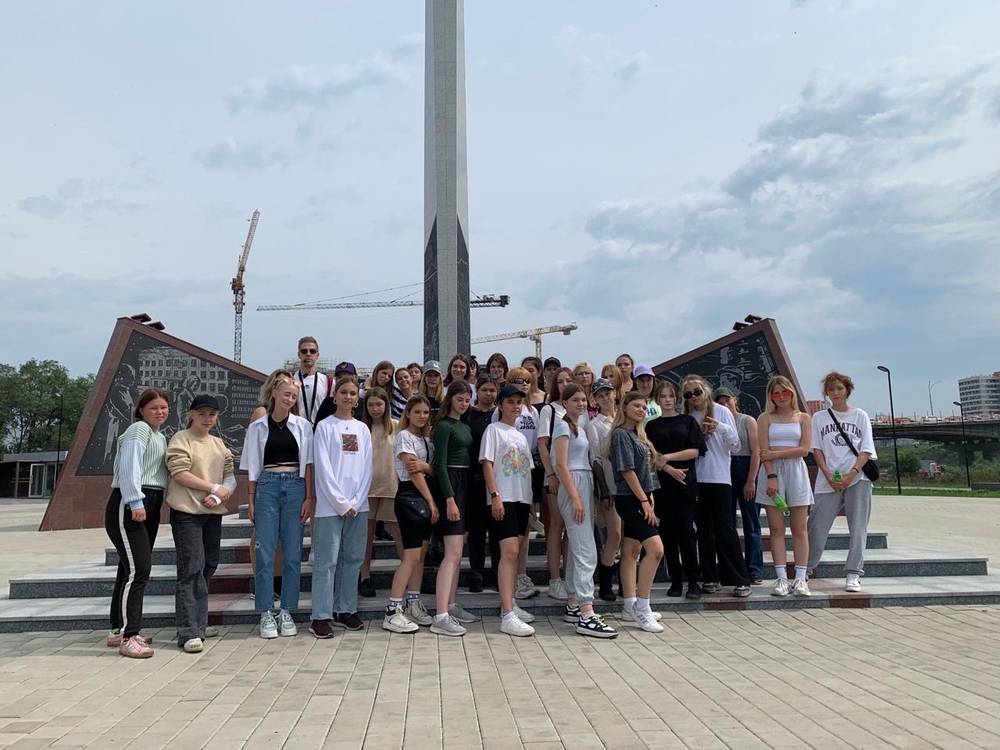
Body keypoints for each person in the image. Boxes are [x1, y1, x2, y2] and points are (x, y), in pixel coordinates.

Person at [241, 377, 314, 638]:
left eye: (293, 396)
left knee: (293, 552)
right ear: (274, 393)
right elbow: (252, 466)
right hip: (267, 485)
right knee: (265, 552)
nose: (289, 400)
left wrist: (309, 497)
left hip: (295, 485)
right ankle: (265, 611)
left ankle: (286, 610)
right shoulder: (258, 427)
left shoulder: (303, 426)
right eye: (286, 394)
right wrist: (251, 500)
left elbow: (308, 464)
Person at [166, 395, 237, 653]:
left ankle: (200, 622)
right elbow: (179, 473)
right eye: (202, 413)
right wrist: (212, 487)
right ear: (192, 414)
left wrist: (218, 495)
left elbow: (230, 478)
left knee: (209, 564)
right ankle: (188, 631)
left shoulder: (218, 443)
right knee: (191, 569)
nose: (207, 418)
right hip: (187, 513)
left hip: (212, 512)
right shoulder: (181, 439)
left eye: (212, 414)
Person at [105, 387, 170, 658]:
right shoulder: (139, 430)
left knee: (128, 569)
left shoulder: (159, 436)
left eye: (164, 407)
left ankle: (118, 629)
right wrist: (134, 500)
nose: (159, 412)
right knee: (140, 570)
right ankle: (129, 636)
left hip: (151, 502)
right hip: (131, 502)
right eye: (153, 407)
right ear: (141, 410)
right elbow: (130, 466)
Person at [310, 376, 373, 639]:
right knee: (327, 562)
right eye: (343, 392)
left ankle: (346, 609)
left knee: (353, 559)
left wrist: (356, 501)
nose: (348, 397)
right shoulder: (324, 427)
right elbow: (323, 469)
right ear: (335, 396)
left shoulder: (362, 429)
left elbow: (367, 467)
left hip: (358, 506)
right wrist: (340, 502)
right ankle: (320, 615)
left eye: (352, 393)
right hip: (330, 506)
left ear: (357, 398)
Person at [552, 384, 618, 638]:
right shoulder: (562, 426)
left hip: (585, 481)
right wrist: (575, 497)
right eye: (575, 400)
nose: (580, 404)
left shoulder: (579, 426)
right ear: (565, 402)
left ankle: (573, 603)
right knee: (586, 549)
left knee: (577, 546)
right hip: (574, 484)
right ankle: (586, 612)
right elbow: (560, 464)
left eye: (583, 400)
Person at [682, 376, 752, 598]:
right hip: (697, 480)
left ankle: (739, 579)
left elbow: (736, 445)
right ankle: (710, 577)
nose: (694, 397)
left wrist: (719, 427)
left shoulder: (721, 411)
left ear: (706, 391)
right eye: (688, 394)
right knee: (704, 531)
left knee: (725, 529)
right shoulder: (688, 416)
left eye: (697, 392)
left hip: (719, 478)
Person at [808, 371, 877, 593]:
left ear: (847, 389)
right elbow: (816, 449)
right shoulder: (819, 418)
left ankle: (853, 573)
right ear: (826, 393)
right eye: (831, 389)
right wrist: (827, 474)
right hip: (828, 479)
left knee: (858, 527)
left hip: (857, 479)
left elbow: (866, 449)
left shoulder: (860, 416)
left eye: (839, 388)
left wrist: (852, 473)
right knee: (816, 526)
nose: (835, 392)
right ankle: (806, 569)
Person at [481, 385, 537, 637]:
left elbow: (527, 470)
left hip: (522, 498)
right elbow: (487, 464)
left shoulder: (521, 436)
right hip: (503, 498)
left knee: (516, 553)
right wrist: (495, 495)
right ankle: (507, 614)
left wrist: (531, 506)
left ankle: (511, 602)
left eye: (519, 402)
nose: (515, 406)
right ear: (501, 404)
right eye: (511, 402)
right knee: (509, 552)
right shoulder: (493, 430)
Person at [381, 396, 439, 634]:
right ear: (408, 413)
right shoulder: (404, 436)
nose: (422, 416)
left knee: (420, 555)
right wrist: (431, 501)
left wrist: (427, 467)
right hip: (411, 497)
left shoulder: (428, 439)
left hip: (425, 495)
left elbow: (431, 469)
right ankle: (392, 609)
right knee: (411, 556)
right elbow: (413, 470)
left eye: (426, 412)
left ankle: (413, 601)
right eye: (417, 412)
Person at [608, 392, 664, 632]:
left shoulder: (638, 434)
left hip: (642, 496)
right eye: (636, 406)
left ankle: (630, 605)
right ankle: (643, 606)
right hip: (630, 499)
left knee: (631, 551)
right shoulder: (621, 434)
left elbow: (647, 471)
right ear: (625, 407)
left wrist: (649, 496)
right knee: (656, 550)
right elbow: (627, 470)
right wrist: (643, 500)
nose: (641, 410)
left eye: (643, 406)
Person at [646, 379, 706, 600]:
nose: (667, 400)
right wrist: (669, 468)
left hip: (686, 483)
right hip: (663, 485)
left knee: (686, 532)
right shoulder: (651, 426)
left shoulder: (688, 421)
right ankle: (676, 580)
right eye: (663, 396)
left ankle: (693, 581)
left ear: (676, 398)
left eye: (671, 396)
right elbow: (651, 456)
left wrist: (668, 457)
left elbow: (695, 451)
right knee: (668, 533)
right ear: (657, 399)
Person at [756, 376, 814, 597]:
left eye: (785, 392)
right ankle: (781, 578)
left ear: (791, 393)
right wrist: (771, 475)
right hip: (772, 472)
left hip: (796, 471)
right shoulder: (765, 418)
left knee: (799, 529)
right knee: (776, 529)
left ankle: (800, 578)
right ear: (771, 396)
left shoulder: (803, 418)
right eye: (776, 393)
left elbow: (804, 450)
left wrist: (776, 453)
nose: (781, 396)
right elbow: (763, 451)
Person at [430, 380, 479, 636]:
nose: (464, 403)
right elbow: (439, 465)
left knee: (458, 553)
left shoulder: (465, 425)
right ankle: (440, 615)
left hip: (465, 484)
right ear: (450, 399)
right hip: (451, 485)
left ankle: (451, 605)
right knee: (452, 552)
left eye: (467, 399)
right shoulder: (443, 426)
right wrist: (449, 499)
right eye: (459, 399)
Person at [500, 366, 542, 600]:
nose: (523, 385)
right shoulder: (503, 411)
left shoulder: (533, 411)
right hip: (507, 476)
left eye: (527, 381)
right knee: (510, 534)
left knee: (525, 529)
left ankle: (522, 574)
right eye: (518, 381)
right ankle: (511, 578)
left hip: (526, 470)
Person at [715, 387, 763, 585]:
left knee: (751, 522)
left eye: (728, 400)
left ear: (735, 400)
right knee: (727, 523)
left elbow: (756, 451)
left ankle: (754, 568)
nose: (725, 404)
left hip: (745, 467)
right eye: (720, 402)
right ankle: (732, 568)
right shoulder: (715, 422)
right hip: (725, 468)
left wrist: (751, 480)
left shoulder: (747, 420)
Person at [536, 366, 577, 601]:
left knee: (572, 528)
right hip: (555, 475)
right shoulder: (549, 410)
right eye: (560, 381)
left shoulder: (578, 408)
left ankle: (569, 575)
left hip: (577, 476)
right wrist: (550, 474)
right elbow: (542, 443)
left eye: (568, 380)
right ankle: (555, 579)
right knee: (556, 527)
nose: (564, 384)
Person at [359, 387, 402, 599]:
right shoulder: (360, 428)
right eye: (371, 405)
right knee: (365, 537)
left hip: (391, 487)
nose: (375, 409)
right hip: (365, 490)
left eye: (379, 404)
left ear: (386, 405)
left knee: (398, 534)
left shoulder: (396, 426)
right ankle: (364, 576)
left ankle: (409, 574)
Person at [585, 378, 623, 602]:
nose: (606, 397)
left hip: (629, 485)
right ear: (595, 399)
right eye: (600, 395)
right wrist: (604, 489)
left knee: (628, 536)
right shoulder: (594, 425)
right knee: (614, 534)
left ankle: (626, 582)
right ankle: (606, 581)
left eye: (608, 393)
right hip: (610, 484)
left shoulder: (624, 418)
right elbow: (596, 459)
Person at [466, 375, 499, 592]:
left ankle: (498, 573)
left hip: (498, 478)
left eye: (492, 390)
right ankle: (476, 572)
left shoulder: (500, 413)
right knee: (476, 530)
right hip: (475, 478)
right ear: (477, 391)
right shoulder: (469, 414)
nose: (488, 394)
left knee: (497, 530)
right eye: (484, 390)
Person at [294, 336, 331, 424]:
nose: (308, 354)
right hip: (297, 428)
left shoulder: (328, 382)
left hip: (320, 429)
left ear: (317, 355)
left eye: (312, 351)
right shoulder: (291, 380)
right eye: (304, 351)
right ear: (299, 355)